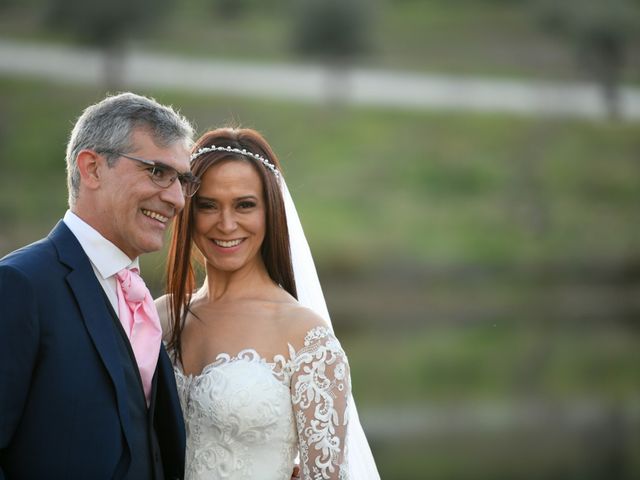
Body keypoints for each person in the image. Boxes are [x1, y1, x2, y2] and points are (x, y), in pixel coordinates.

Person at [157, 127, 380, 479]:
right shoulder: (161, 317)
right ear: (187, 211)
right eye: (208, 206)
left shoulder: (305, 336)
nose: (226, 224)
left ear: (271, 212)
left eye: (244, 205)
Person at [0, 92, 198, 479]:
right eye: (157, 171)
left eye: (182, 180)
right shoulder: (20, 285)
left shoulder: (140, 297)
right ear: (92, 169)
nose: (175, 198)